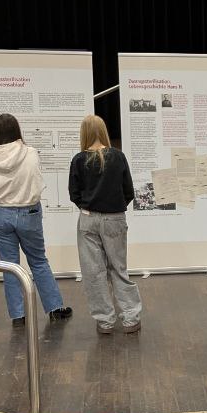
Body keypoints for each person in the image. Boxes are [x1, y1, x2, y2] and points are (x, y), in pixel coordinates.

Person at [0, 113, 72, 326]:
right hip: (29, 213)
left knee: (10, 266)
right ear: (17, 131)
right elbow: (35, 178)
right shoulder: (31, 153)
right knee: (39, 260)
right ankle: (54, 308)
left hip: (0, 214)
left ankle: (18, 315)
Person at [68, 115, 141, 335]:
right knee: (118, 268)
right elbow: (129, 191)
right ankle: (131, 317)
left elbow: (74, 194)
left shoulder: (79, 160)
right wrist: (115, 208)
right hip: (115, 218)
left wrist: (89, 207)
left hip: (88, 220)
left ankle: (105, 321)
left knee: (93, 272)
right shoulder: (118, 157)